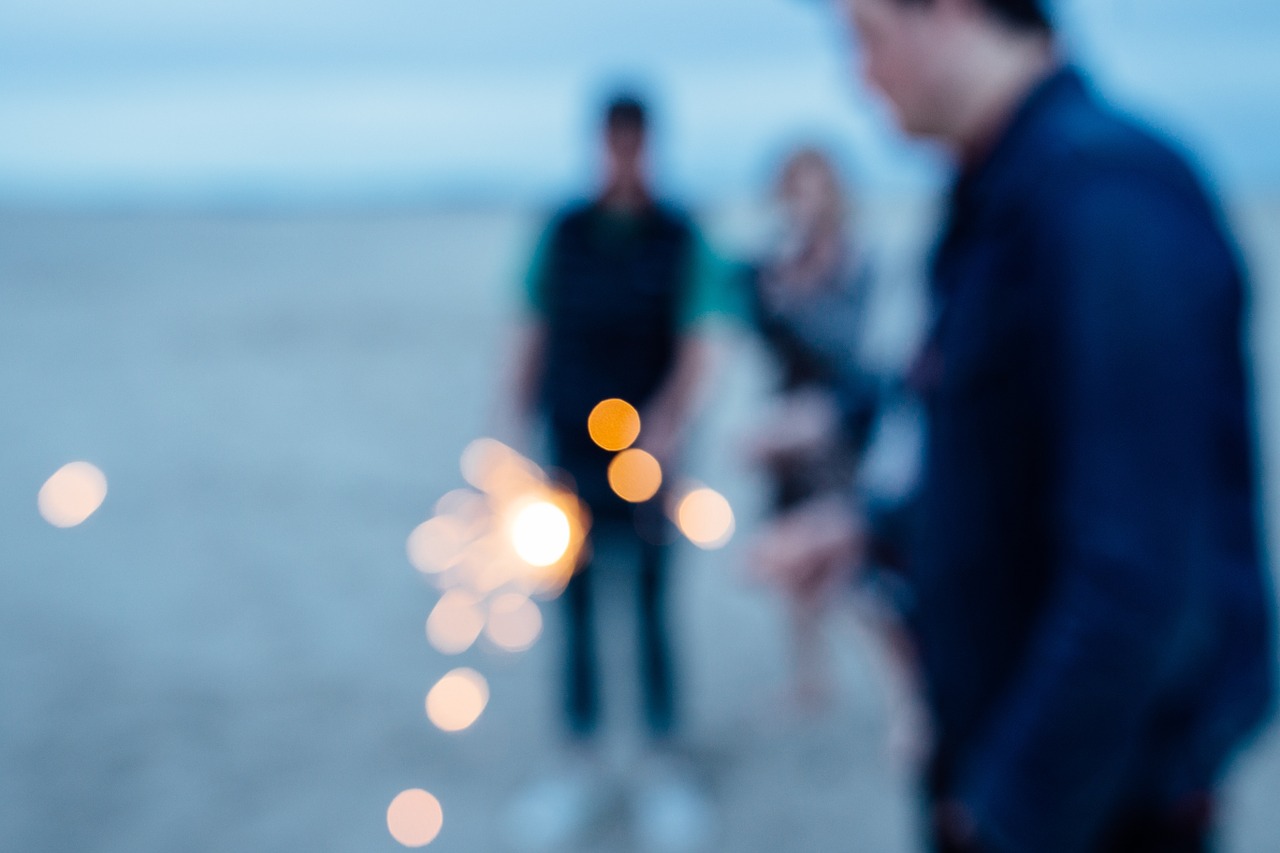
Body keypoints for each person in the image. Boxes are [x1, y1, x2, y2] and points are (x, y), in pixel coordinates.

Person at [812, 0, 1277, 850]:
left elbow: (1138, 573)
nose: (859, 75)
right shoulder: (996, 200)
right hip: (997, 762)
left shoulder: (1107, 201)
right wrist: (871, 532)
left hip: (1099, 812)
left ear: (948, 14)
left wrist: (1009, 810)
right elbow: (998, 468)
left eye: (866, 36)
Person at [504, 92, 716, 852]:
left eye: (635, 144)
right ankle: (579, 761)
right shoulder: (562, 231)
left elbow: (699, 337)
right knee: (578, 610)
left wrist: (668, 425)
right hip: (567, 449)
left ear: (650, 146)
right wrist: (513, 430)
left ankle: (663, 765)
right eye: (614, 144)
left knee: (654, 608)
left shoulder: (678, 232)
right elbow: (530, 325)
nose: (624, 157)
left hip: (651, 460)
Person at [742, 146, 879, 712]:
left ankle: (886, 670)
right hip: (784, 419)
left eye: (815, 186)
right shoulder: (779, 261)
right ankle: (809, 677)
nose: (806, 200)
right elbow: (762, 338)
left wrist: (791, 303)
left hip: (842, 421)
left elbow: (849, 343)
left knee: (851, 549)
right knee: (788, 544)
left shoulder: (853, 262)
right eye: (795, 188)